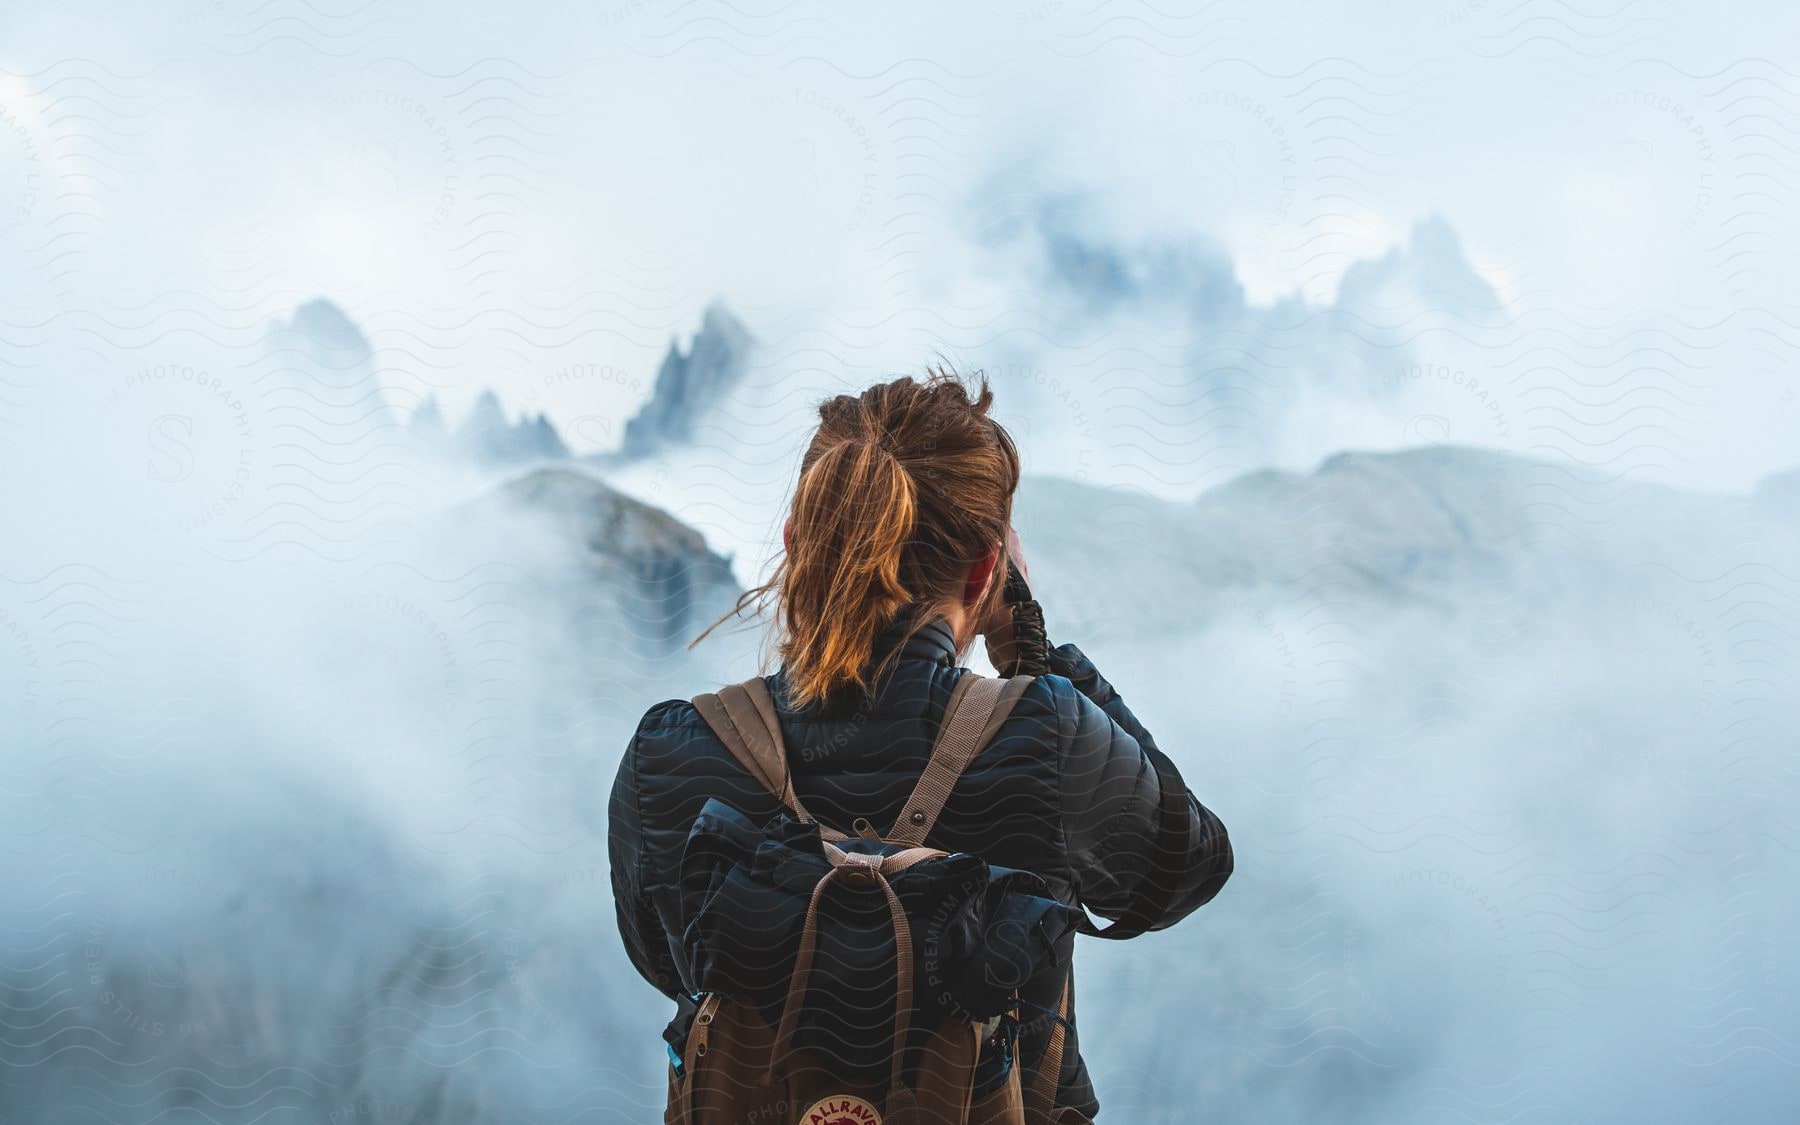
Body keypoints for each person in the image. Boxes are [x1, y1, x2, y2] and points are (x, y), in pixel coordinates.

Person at [608, 370, 1233, 1119]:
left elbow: (662, 958)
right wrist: (1022, 639)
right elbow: (1189, 866)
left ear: (794, 544)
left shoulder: (669, 753)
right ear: (985, 571)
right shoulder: (1051, 735)